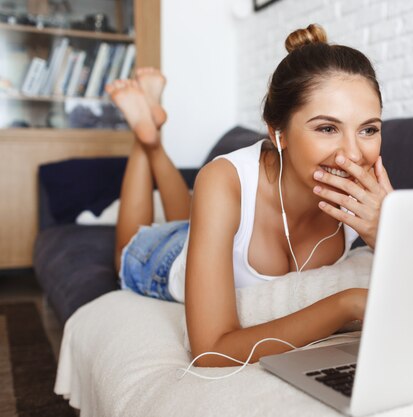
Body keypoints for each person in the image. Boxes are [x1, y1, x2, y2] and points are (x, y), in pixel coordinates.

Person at [106, 23, 394, 367]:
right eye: (327, 128)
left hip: (215, 231)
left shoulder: (369, 197)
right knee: (129, 250)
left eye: (368, 129)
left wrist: (386, 232)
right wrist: (346, 304)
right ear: (278, 134)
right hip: (168, 259)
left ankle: (150, 127)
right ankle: (146, 139)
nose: (353, 154)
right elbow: (210, 350)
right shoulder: (223, 179)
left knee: (188, 216)